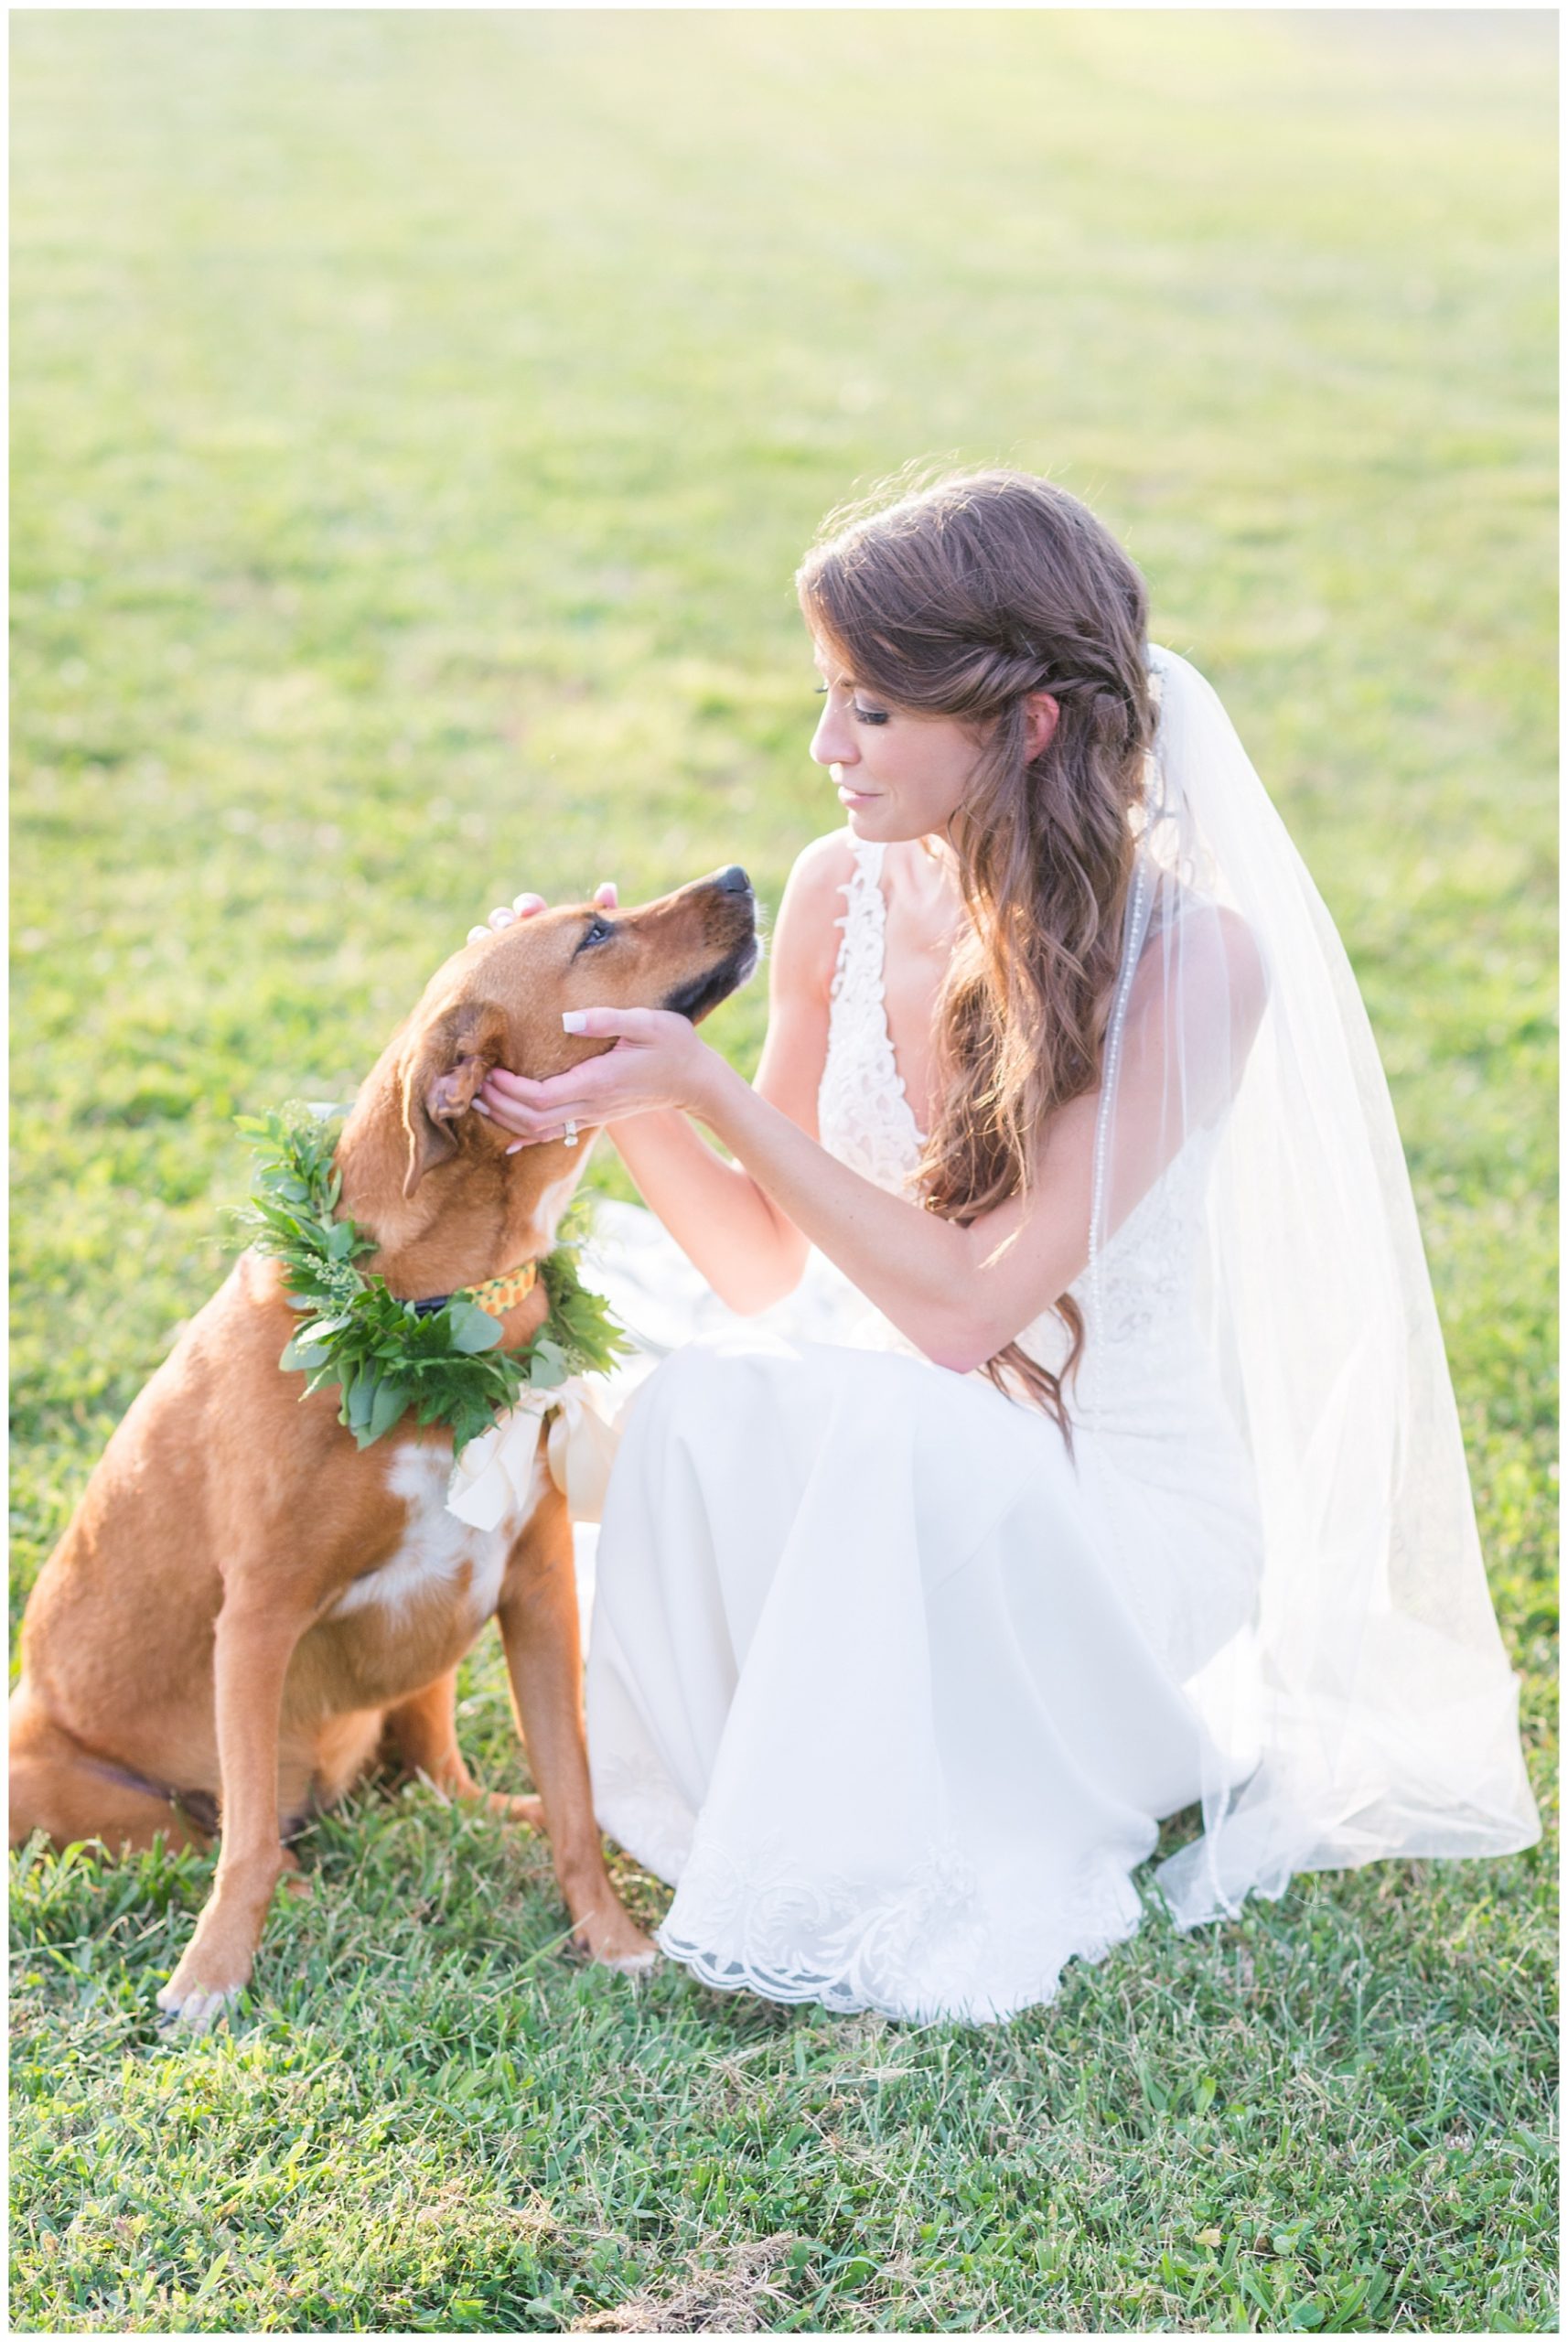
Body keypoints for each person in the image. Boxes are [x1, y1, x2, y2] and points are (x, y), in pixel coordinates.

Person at [468, 467, 1538, 2024]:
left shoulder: (1192, 963)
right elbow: (766, 1271)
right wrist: (618, 1090)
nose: (826, 752)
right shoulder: (841, 893)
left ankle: (962, 1786)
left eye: (875, 714)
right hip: (894, 1436)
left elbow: (968, 1320)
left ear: (1025, 726)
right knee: (705, 1402)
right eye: (827, 701)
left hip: (1107, 1507)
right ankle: (775, 1794)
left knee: (895, 1427)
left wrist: (703, 1083)